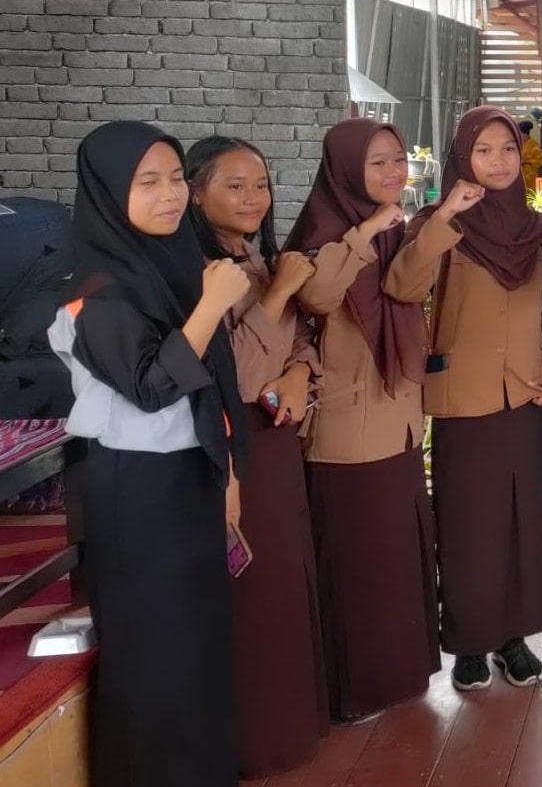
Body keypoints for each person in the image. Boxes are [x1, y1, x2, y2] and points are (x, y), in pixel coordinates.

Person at [47, 121, 252, 787]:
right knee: (156, 659)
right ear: (110, 192)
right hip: (136, 493)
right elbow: (152, 383)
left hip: (187, 477)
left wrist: (225, 470)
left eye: (174, 179)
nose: (170, 195)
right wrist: (211, 304)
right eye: (148, 182)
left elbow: (212, 386)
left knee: (196, 652)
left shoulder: (169, 264)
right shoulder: (95, 292)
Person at [395, 107, 542, 692]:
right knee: (468, 525)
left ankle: (512, 637)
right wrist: (447, 214)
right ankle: (469, 640)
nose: (497, 162)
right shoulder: (436, 225)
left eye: (505, 150)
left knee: (524, 521)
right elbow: (403, 285)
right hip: (461, 401)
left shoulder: (538, 231)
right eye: (483, 151)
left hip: (524, 398)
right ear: (462, 159)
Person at [285, 118, 443, 723]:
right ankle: (354, 690)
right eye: (377, 163)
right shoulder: (323, 231)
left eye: (398, 160)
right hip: (345, 432)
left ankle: (399, 675)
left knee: (397, 559)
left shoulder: (394, 232)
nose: (392, 173)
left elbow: (409, 293)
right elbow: (318, 296)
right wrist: (365, 232)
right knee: (355, 563)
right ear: (345, 168)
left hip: (399, 420)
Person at [185, 137, 329, 776]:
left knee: (286, 581)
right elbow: (235, 373)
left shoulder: (255, 258)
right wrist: (280, 294)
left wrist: (300, 375)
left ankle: (296, 724)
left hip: (276, 437)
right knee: (254, 589)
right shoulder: (198, 271)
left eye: (261, 185)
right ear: (196, 193)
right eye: (234, 185)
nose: (253, 198)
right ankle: (259, 737)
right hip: (234, 444)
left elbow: (298, 341)